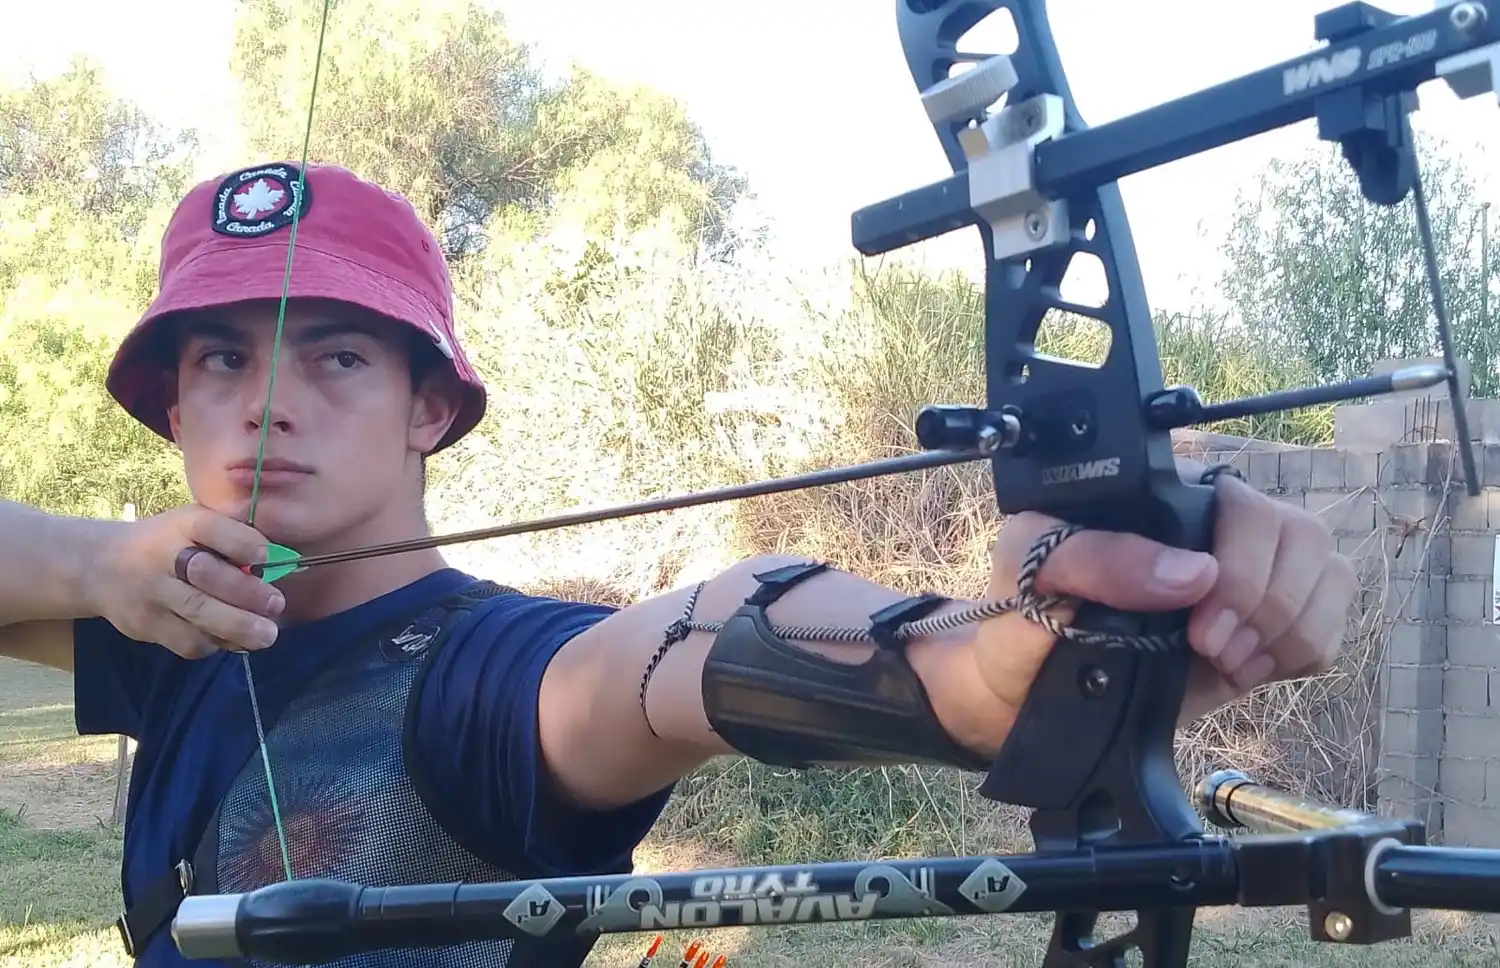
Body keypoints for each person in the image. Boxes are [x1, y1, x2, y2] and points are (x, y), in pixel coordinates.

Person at [0, 161, 1356, 967]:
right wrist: (103, 563)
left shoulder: (482, 682)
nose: (264, 404)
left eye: (335, 355)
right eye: (220, 358)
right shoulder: (175, 628)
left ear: (430, 408)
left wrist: (1001, 657)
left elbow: (684, 650)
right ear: (171, 405)